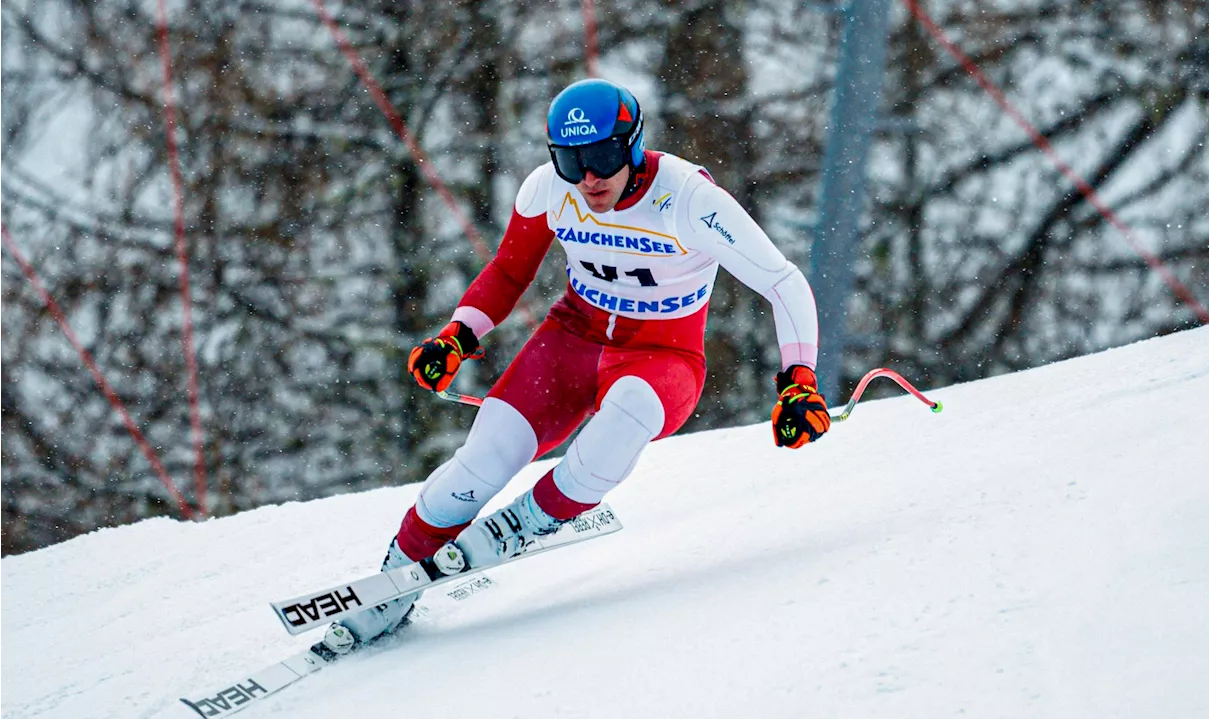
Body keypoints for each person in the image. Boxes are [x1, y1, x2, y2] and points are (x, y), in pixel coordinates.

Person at [321, 78, 831, 653]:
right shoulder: (549, 190)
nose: (589, 177)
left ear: (634, 146)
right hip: (571, 341)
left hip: (662, 356)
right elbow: (510, 271)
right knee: (481, 461)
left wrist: (799, 382)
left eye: (604, 157)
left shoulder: (689, 199)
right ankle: (393, 582)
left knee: (627, 415)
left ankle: (530, 520)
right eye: (570, 160)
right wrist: (458, 334)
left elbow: (783, 283)